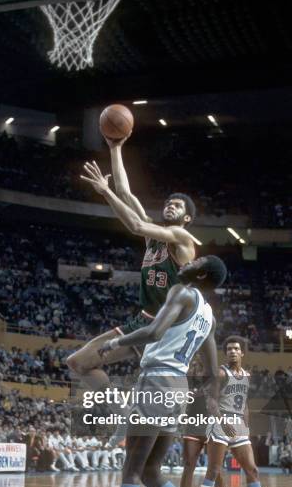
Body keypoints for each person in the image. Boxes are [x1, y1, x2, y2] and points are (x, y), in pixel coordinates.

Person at [97, 255, 228, 487]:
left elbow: (154, 332)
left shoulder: (183, 291)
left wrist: (115, 342)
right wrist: (211, 400)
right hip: (179, 387)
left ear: (200, 273)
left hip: (157, 380)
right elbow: (212, 371)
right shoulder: (209, 316)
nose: (187, 261)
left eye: (196, 260)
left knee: (131, 469)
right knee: (152, 471)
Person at [67, 139, 197, 395]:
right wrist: (116, 147)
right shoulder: (154, 236)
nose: (170, 205)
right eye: (169, 203)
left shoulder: (183, 240)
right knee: (77, 363)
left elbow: (135, 225)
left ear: (187, 218)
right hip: (143, 320)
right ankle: (119, 407)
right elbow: (126, 194)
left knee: (159, 409)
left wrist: (105, 192)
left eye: (177, 205)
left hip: (168, 328)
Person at [199, 336, 289, 487]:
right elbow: (211, 402)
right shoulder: (221, 373)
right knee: (214, 471)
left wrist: (246, 424)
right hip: (220, 421)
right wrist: (222, 421)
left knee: (252, 470)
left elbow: (245, 402)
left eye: (236, 349)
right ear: (226, 353)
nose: (232, 351)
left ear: (242, 353)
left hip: (239, 425)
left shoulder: (246, 375)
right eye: (229, 349)